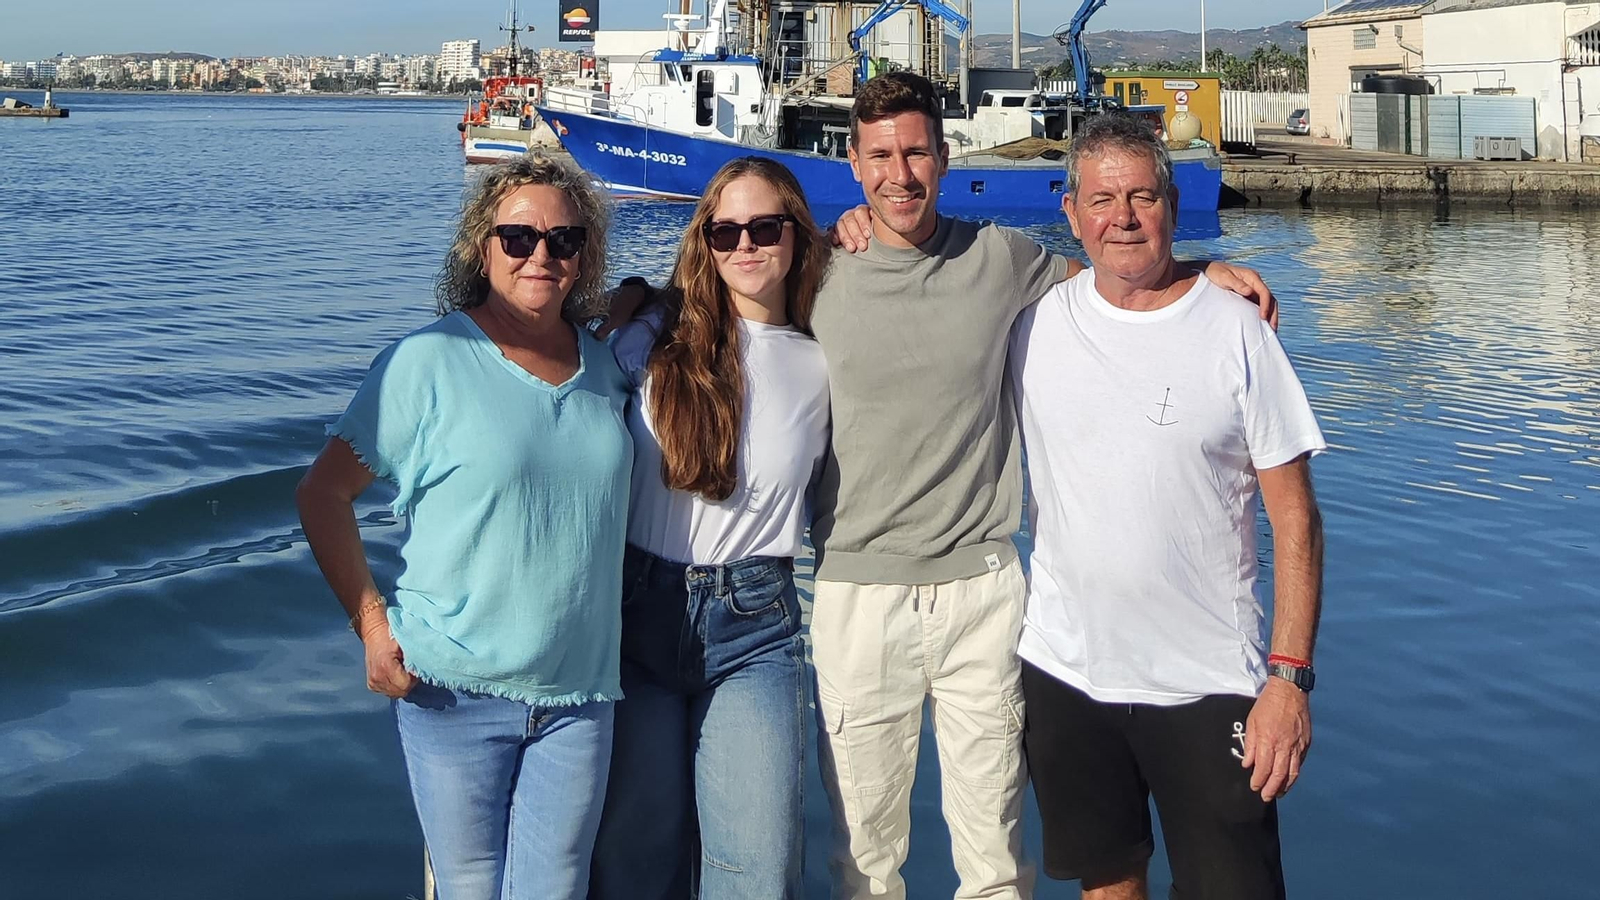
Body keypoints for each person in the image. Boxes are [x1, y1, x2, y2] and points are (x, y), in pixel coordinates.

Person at [807, 72, 1279, 900]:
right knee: (863, 862)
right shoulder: (815, 271)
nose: (899, 174)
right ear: (853, 163)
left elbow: (1114, 270)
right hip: (857, 594)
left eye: (916, 152)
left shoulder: (999, 258)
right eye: (880, 156)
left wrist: (1201, 270)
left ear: (944, 157)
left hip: (983, 593)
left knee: (996, 862)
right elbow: (716, 296)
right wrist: (631, 301)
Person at [294, 153, 631, 900]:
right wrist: (372, 627)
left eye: (564, 240)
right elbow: (323, 494)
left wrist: (642, 299)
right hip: (452, 690)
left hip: (579, 696)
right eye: (518, 238)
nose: (541, 254)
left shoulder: (608, 368)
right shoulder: (427, 361)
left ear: (583, 255)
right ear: (483, 249)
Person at [1008, 113, 1326, 900]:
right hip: (1068, 673)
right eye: (1102, 199)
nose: (1122, 217)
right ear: (1071, 212)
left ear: (1172, 207)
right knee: (1107, 884)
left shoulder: (1237, 331)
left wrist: (1288, 680)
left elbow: (1296, 519)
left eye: (1142, 197)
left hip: (1209, 682)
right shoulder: (1032, 324)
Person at [588, 157, 833, 900]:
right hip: (637, 613)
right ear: (706, 240)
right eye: (725, 232)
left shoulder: (825, 357)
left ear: (797, 233)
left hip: (755, 626)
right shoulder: (648, 337)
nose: (745, 245)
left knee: (756, 872)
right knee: (635, 864)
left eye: (764, 228)